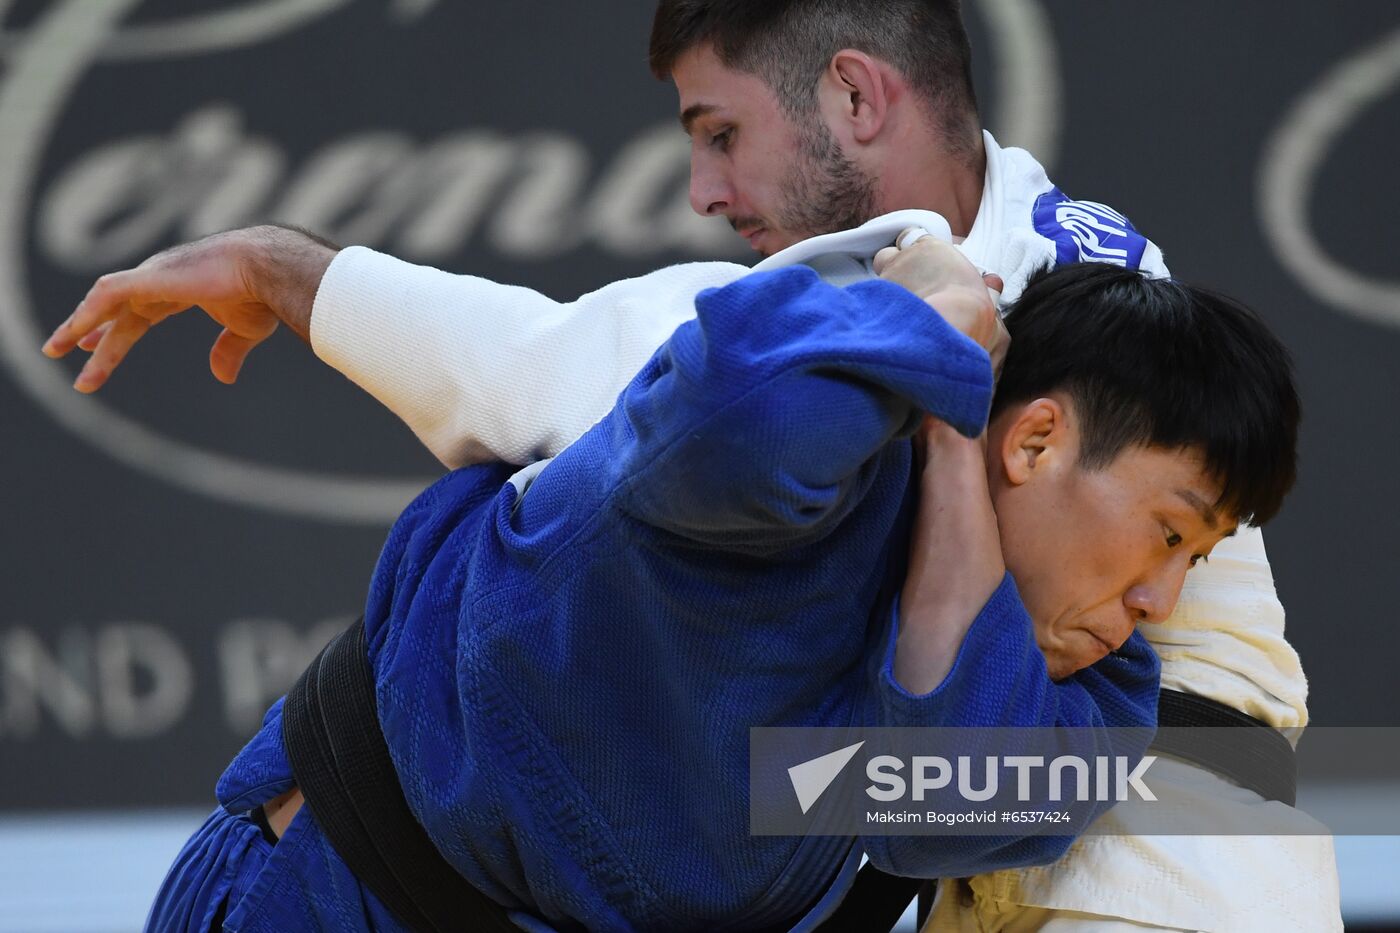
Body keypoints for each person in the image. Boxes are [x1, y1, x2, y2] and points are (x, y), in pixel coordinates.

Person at [41, 0, 1337, 928]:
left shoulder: (1092, 370)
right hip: (360, 860)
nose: (709, 188)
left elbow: (518, 364)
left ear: (854, 94)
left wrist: (282, 264)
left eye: (720, 129)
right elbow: (636, 388)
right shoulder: (803, 348)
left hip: (1165, 830)